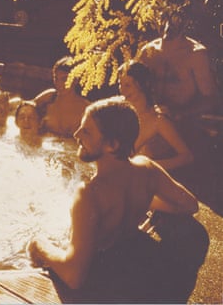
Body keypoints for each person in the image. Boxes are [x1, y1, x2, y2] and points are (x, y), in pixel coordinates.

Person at [27, 96, 198, 290]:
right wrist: (146, 200)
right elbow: (189, 204)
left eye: (87, 132)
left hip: (98, 281)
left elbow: (74, 276)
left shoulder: (89, 194)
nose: (76, 134)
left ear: (112, 145)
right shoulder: (147, 168)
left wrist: (38, 244)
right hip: (124, 257)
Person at [137, 0, 219, 121]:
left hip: (184, 122)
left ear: (185, 22)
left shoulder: (195, 54)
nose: (168, 25)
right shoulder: (148, 52)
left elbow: (210, 98)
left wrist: (179, 114)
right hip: (151, 120)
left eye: (176, 18)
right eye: (165, 16)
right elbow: (135, 88)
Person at [119, 62, 193, 171]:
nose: (122, 90)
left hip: (152, 179)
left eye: (127, 85)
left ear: (142, 85)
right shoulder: (124, 115)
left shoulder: (159, 120)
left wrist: (149, 166)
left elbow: (187, 157)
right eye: (120, 84)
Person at [34, 56, 90, 137]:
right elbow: (25, 109)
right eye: (56, 78)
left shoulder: (86, 108)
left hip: (71, 149)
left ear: (76, 80)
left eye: (64, 79)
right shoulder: (49, 98)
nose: (59, 84)